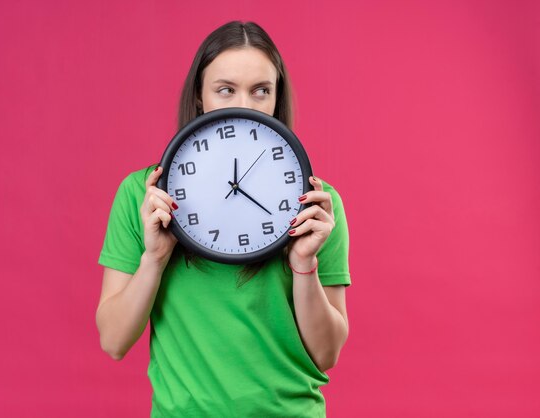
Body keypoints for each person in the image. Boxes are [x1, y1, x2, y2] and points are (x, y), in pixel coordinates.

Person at [96, 21, 351, 417]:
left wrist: (305, 264)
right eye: (226, 89)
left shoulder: (317, 204)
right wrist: (155, 258)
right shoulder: (143, 196)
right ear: (200, 97)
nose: (243, 107)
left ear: (276, 99)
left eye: (261, 91)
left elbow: (327, 353)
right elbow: (113, 341)